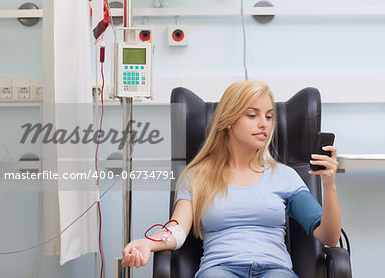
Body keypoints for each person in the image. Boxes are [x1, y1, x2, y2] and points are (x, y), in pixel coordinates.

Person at [122, 81, 341, 278]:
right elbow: (176, 231)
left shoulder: (284, 176)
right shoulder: (197, 175)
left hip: (275, 270)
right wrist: (147, 243)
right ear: (228, 120)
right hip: (219, 269)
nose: (264, 124)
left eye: (269, 116)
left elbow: (329, 237)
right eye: (252, 115)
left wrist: (328, 185)